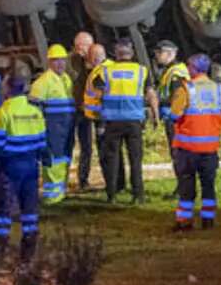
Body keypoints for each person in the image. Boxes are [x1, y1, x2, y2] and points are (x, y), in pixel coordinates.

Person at [0, 75, 48, 260]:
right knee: (29, 209)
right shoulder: (35, 111)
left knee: (4, 209)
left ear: (7, 90)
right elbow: (41, 142)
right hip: (31, 165)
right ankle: (28, 251)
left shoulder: (3, 112)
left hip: (10, 166)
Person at [91, 39, 152, 204]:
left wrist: (98, 117)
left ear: (116, 54)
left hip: (112, 121)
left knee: (112, 159)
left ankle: (112, 194)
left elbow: (97, 96)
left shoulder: (106, 72)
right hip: (134, 121)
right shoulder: (141, 71)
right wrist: (155, 115)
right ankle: (138, 195)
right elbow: (150, 94)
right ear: (131, 54)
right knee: (135, 159)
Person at [169, 53, 221, 231]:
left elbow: (175, 115)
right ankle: (208, 221)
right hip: (210, 148)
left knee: (186, 186)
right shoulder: (218, 89)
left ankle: (185, 222)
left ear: (194, 68)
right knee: (208, 186)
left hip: (187, 148)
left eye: (189, 66)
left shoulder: (185, 89)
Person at [29, 45, 76, 203]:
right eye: (56, 60)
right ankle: (51, 195)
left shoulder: (66, 80)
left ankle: (61, 191)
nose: (60, 63)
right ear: (49, 62)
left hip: (66, 126)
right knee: (53, 159)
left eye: (63, 60)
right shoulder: (42, 83)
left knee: (64, 158)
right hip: (51, 126)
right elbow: (34, 110)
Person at [74, 41, 106, 193]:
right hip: (83, 113)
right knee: (86, 147)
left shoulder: (103, 70)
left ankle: (108, 179)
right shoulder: (76, 65)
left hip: (100, 114)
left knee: (103, 146)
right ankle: (83, 180)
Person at [154, 40, 190, 131]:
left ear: (169, 54)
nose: (156, 56)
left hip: (173, 116)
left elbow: (178, 96)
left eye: (159, 53)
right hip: (170, 114)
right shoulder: (170, 69)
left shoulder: (176, 72)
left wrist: (173, 117)